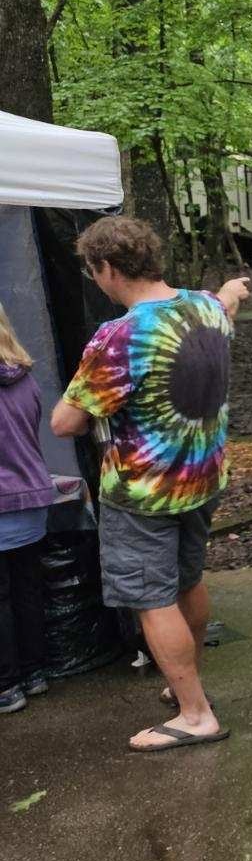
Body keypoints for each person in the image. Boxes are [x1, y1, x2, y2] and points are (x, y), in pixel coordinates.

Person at [50, 215, 248, 751]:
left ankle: (194, 713)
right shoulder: (205, 307)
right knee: (188, 580)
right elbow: (226, 304)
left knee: (151, 598)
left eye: (94, 272)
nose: (96, 281)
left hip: (145, 491)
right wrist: (231, 290)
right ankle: (187, 683)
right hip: (203, 478)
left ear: (108, 268)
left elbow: (65, 422)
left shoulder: (121, 335)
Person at [0, 304, 55, 714]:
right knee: (27, 589)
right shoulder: (26, 379)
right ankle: (35, 673)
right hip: (33, 500)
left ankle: (6, 686)